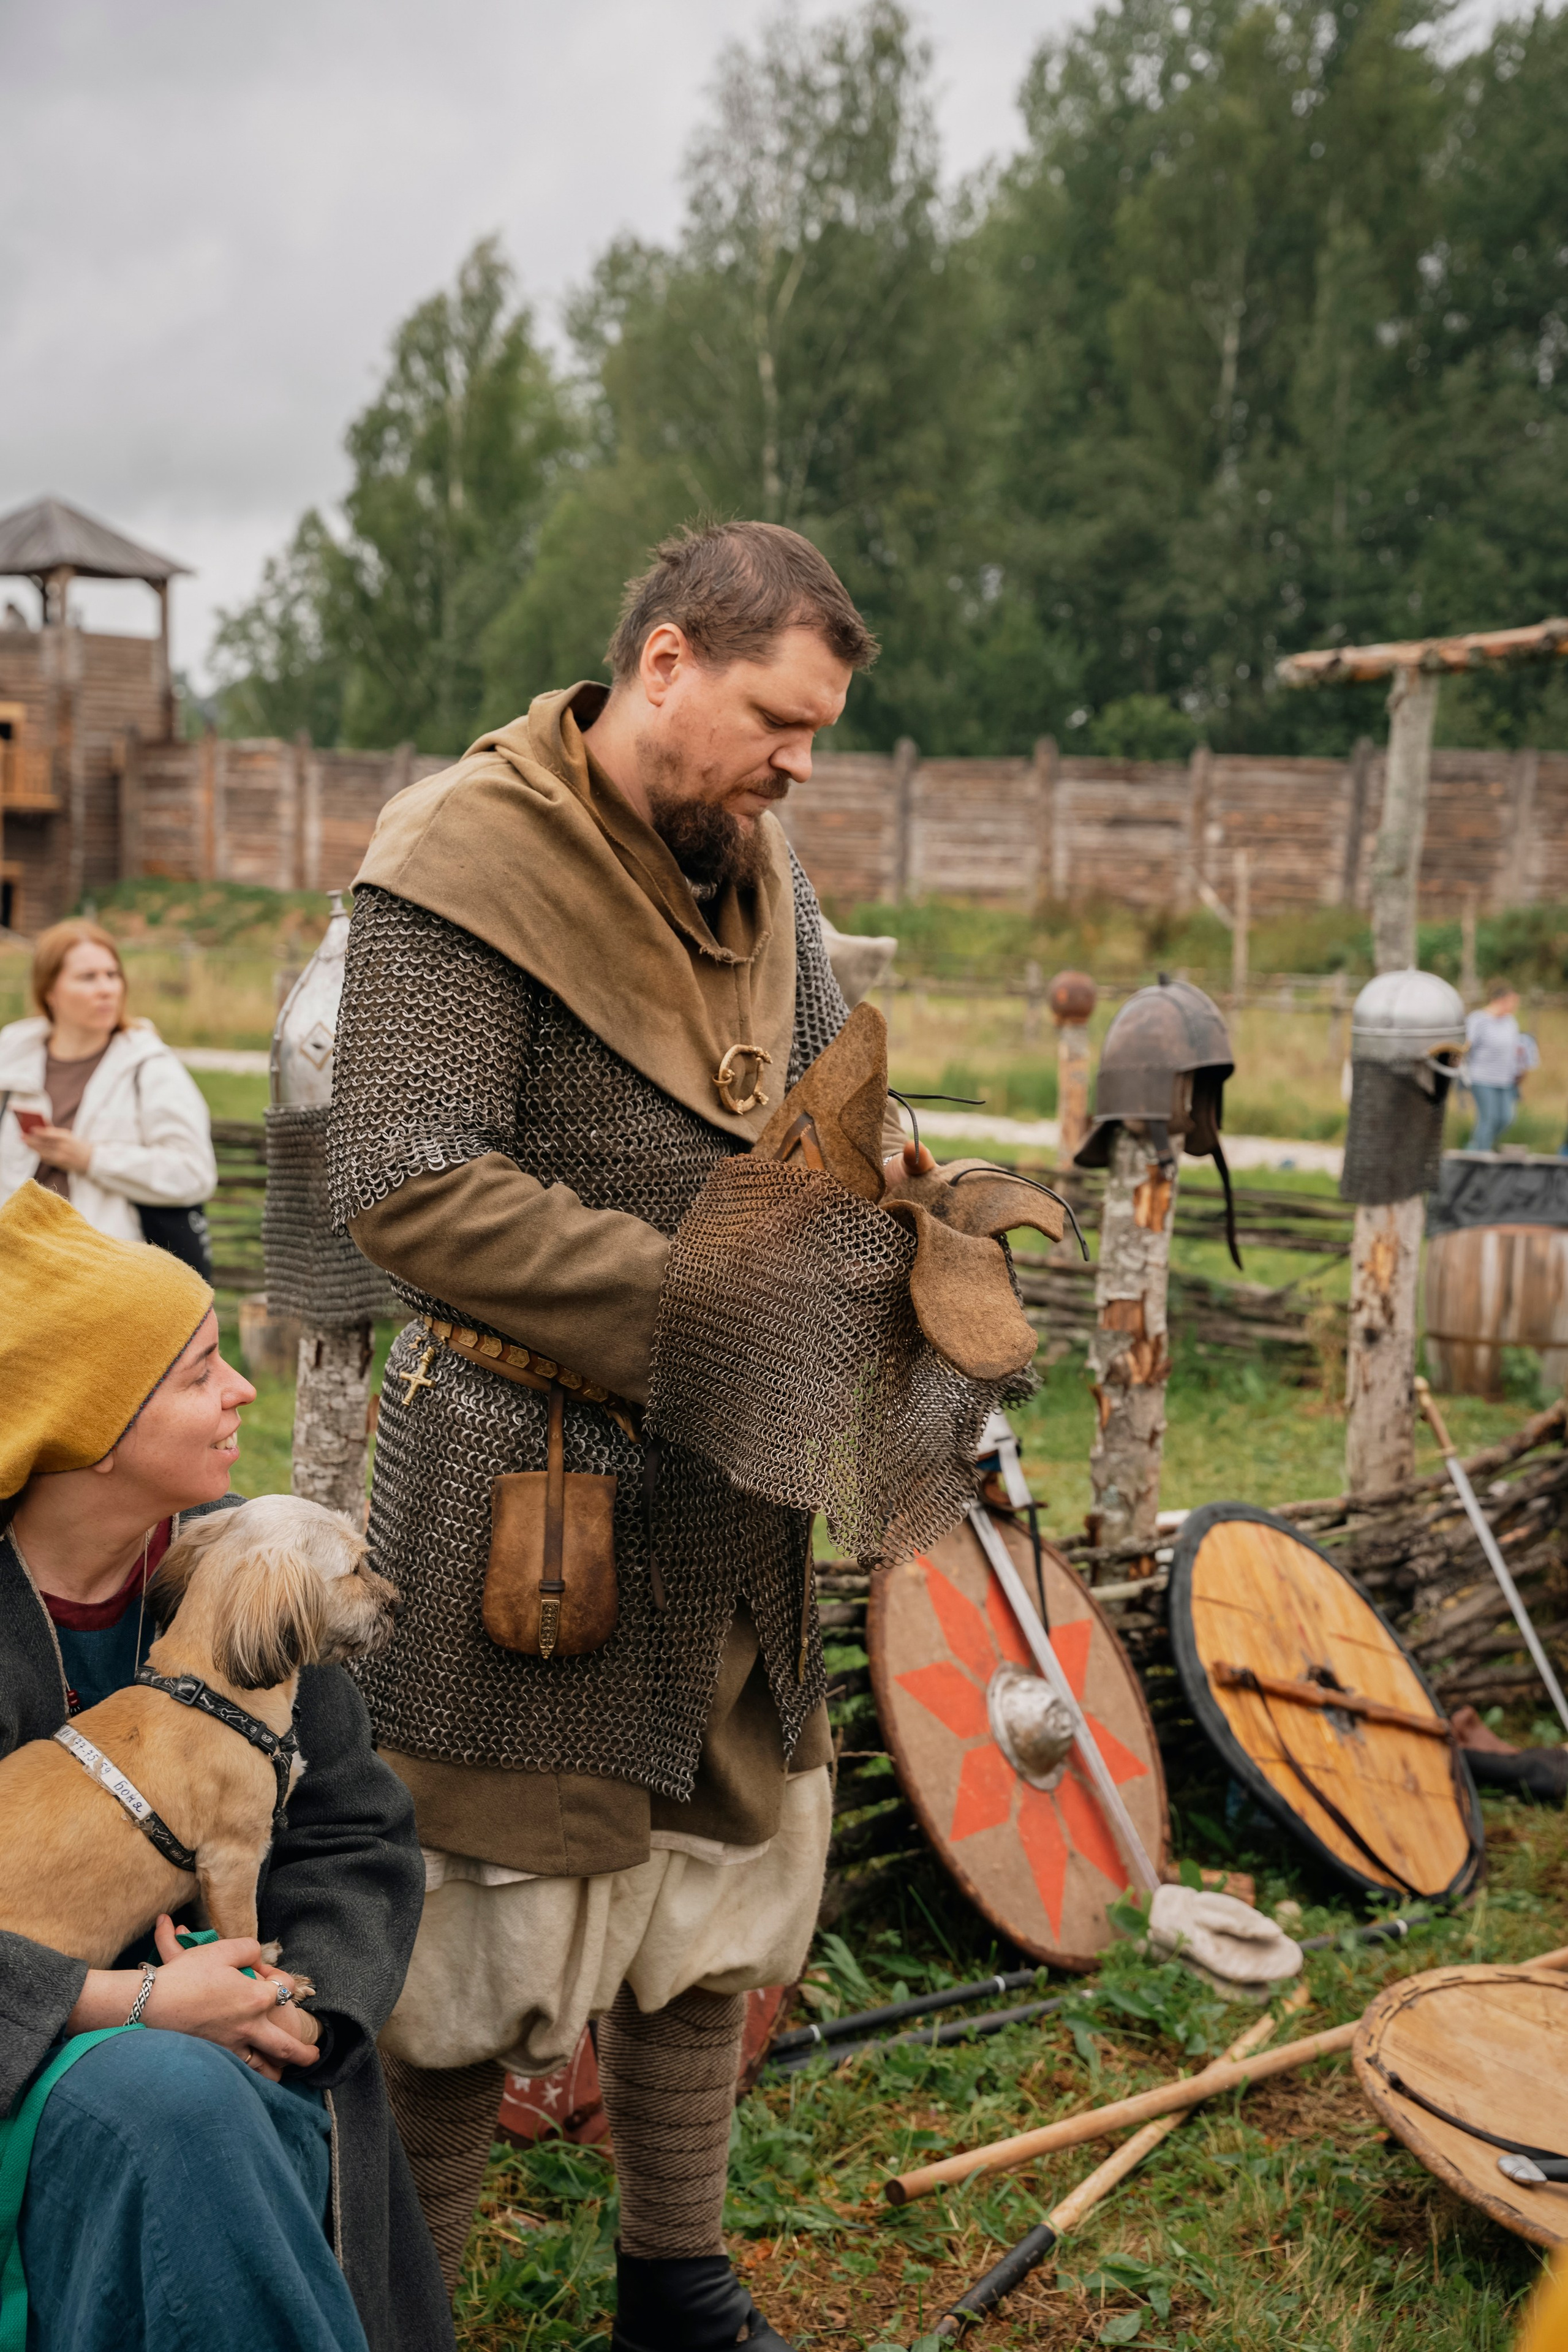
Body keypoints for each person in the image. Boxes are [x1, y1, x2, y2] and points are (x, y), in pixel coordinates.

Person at [326, 522, 930, 2351]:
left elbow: (836, 1103)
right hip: (529, 1482)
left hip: (722, 1494)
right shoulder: (464, 855)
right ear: (662, 662)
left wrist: (911, 1201)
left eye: (818, 729)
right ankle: (405, 2306)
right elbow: (409, 1178)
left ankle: (673, 2277)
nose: (799, 760)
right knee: (476, 1932)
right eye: (775, 716)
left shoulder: (763, 866)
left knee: (710, 1896)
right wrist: (708, 1301)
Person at [0, 1182, 453, 2352]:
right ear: (93, 1425)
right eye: (200, 1373)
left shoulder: (245, 1569)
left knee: (222, 2099)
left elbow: (355, 1838)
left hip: (243, 2013)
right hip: (26, 2052)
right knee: (176, 2107)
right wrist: (142, 2004)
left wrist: (288, 2002)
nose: (243, 1389)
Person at [0, 918, 216, 1268]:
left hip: (109, 1275)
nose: (107, 989)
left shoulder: (149, 1065)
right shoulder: (10, 1062)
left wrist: (91, 1158)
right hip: (17, 1270)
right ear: (49, 991)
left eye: (112, 975)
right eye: (88, 977)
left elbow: (195, 1174)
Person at [1463, 978, 1532, 1152]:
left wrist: (1520, 1071)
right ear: (1500, 1000)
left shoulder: (1510, 1022)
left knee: (1506, 1118)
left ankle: (1476, 1147)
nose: (1515, 1007)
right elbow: (1466, 1045)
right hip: (1483, 1077)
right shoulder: (1479, 1019)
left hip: (1506, 1079)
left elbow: (1514, 1050)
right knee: (1489, 1118)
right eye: (1512, 1002)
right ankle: (1480, 1156)